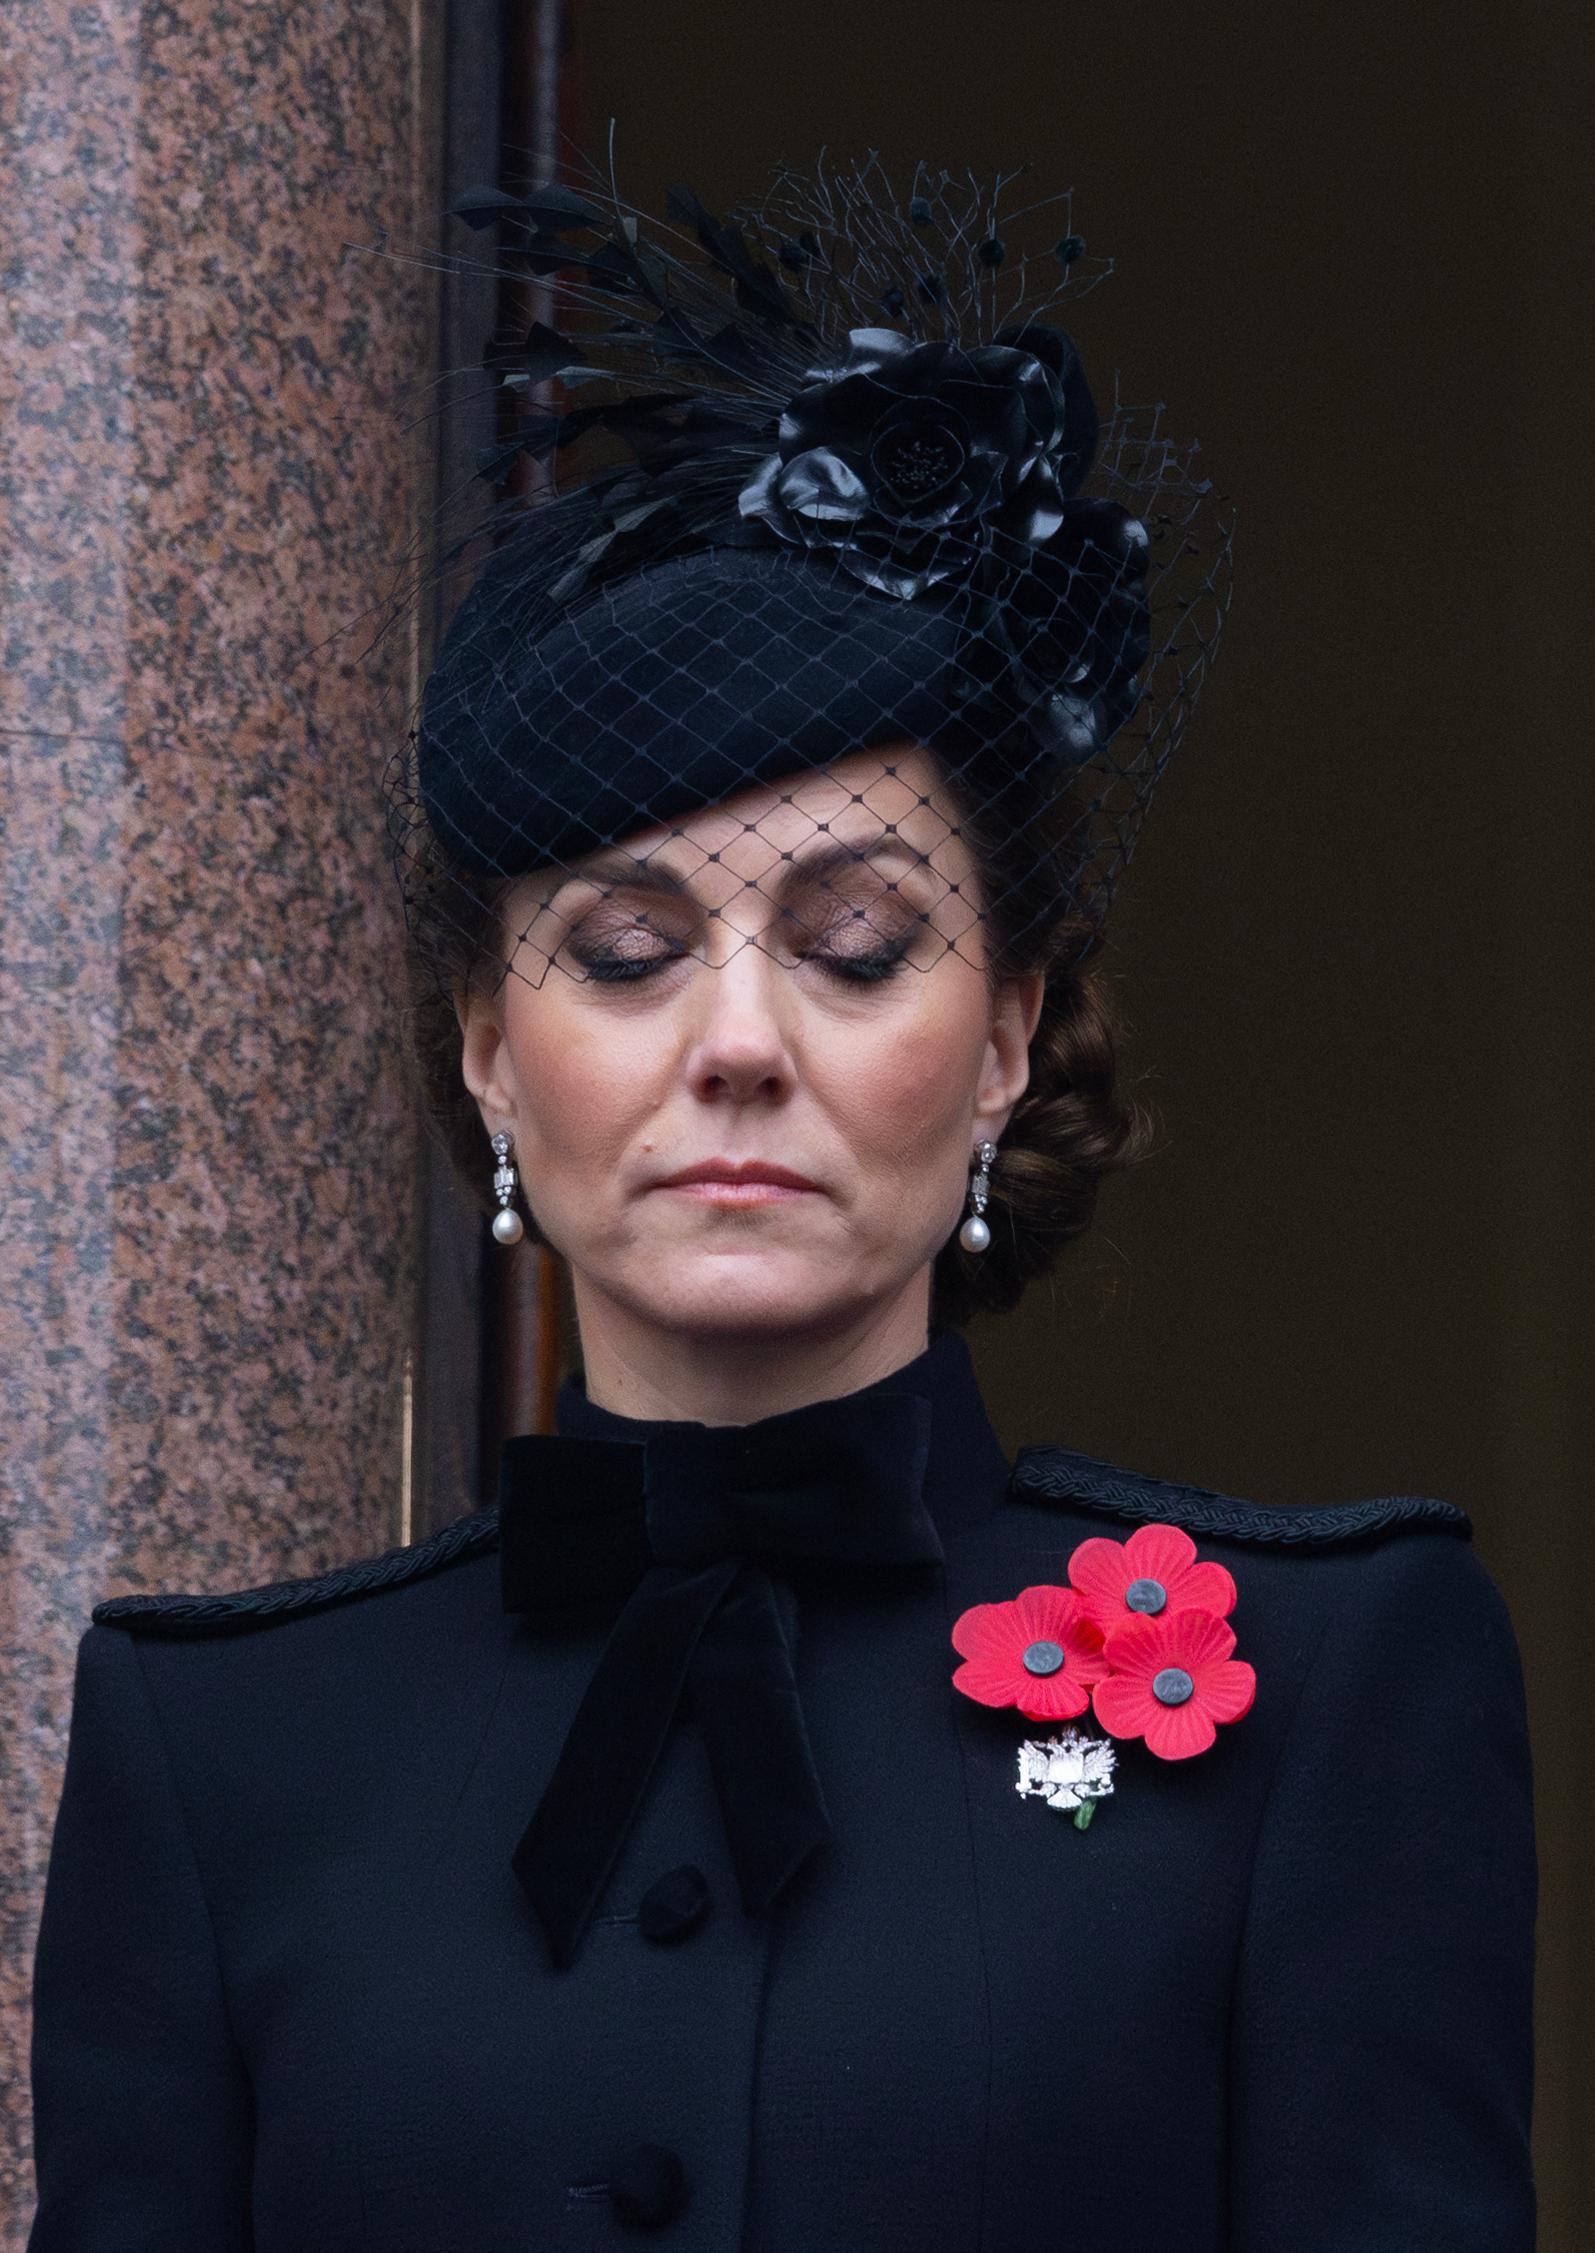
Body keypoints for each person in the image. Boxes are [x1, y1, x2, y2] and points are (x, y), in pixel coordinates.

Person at [27, 155, 1536, 2250]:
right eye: (629, 950)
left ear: (1007, 1032)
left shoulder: (1327, 1688)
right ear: (487, 1044)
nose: (739, 1040)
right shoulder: (222, 1757)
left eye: (853, 942)